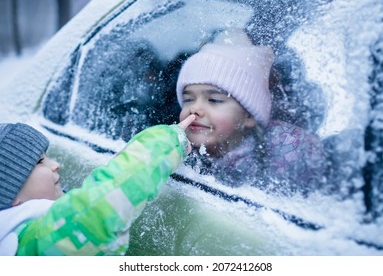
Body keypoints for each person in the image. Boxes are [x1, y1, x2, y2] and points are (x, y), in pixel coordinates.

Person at [0, 114, 195, 256]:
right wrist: (167, 142)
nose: (56, 165)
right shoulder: (31, 245)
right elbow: (98, 209)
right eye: (40, 162)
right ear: (10, 194)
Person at [175, 30, 326, 194]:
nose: (195, 109)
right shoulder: (179, 151)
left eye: (215, 100)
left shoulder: (286, 153)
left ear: (248, 115)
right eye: (188, 99)